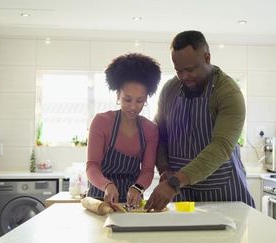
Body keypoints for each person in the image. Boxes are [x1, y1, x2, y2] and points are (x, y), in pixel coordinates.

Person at [145, 30, 255, 211]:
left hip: (224, 194)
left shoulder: (228, 93)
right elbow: (160, 134)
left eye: (190, 69)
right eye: (178, 71)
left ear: (207, 57)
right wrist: (164, 169)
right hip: (183, 195)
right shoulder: (170, 89)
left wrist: (174, 182)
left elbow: (221, 147)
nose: (184, 77)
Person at [86, 53, 161, 211]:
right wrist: (107, 185)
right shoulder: (101, 122)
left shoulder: (150, 130)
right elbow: (92, 167)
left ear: (146, 99)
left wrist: (138, 187)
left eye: (139, 100)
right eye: (127, 99)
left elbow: (147, 170)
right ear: (117, 95)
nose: (133, 106)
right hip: (100, 201)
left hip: (132, 203)